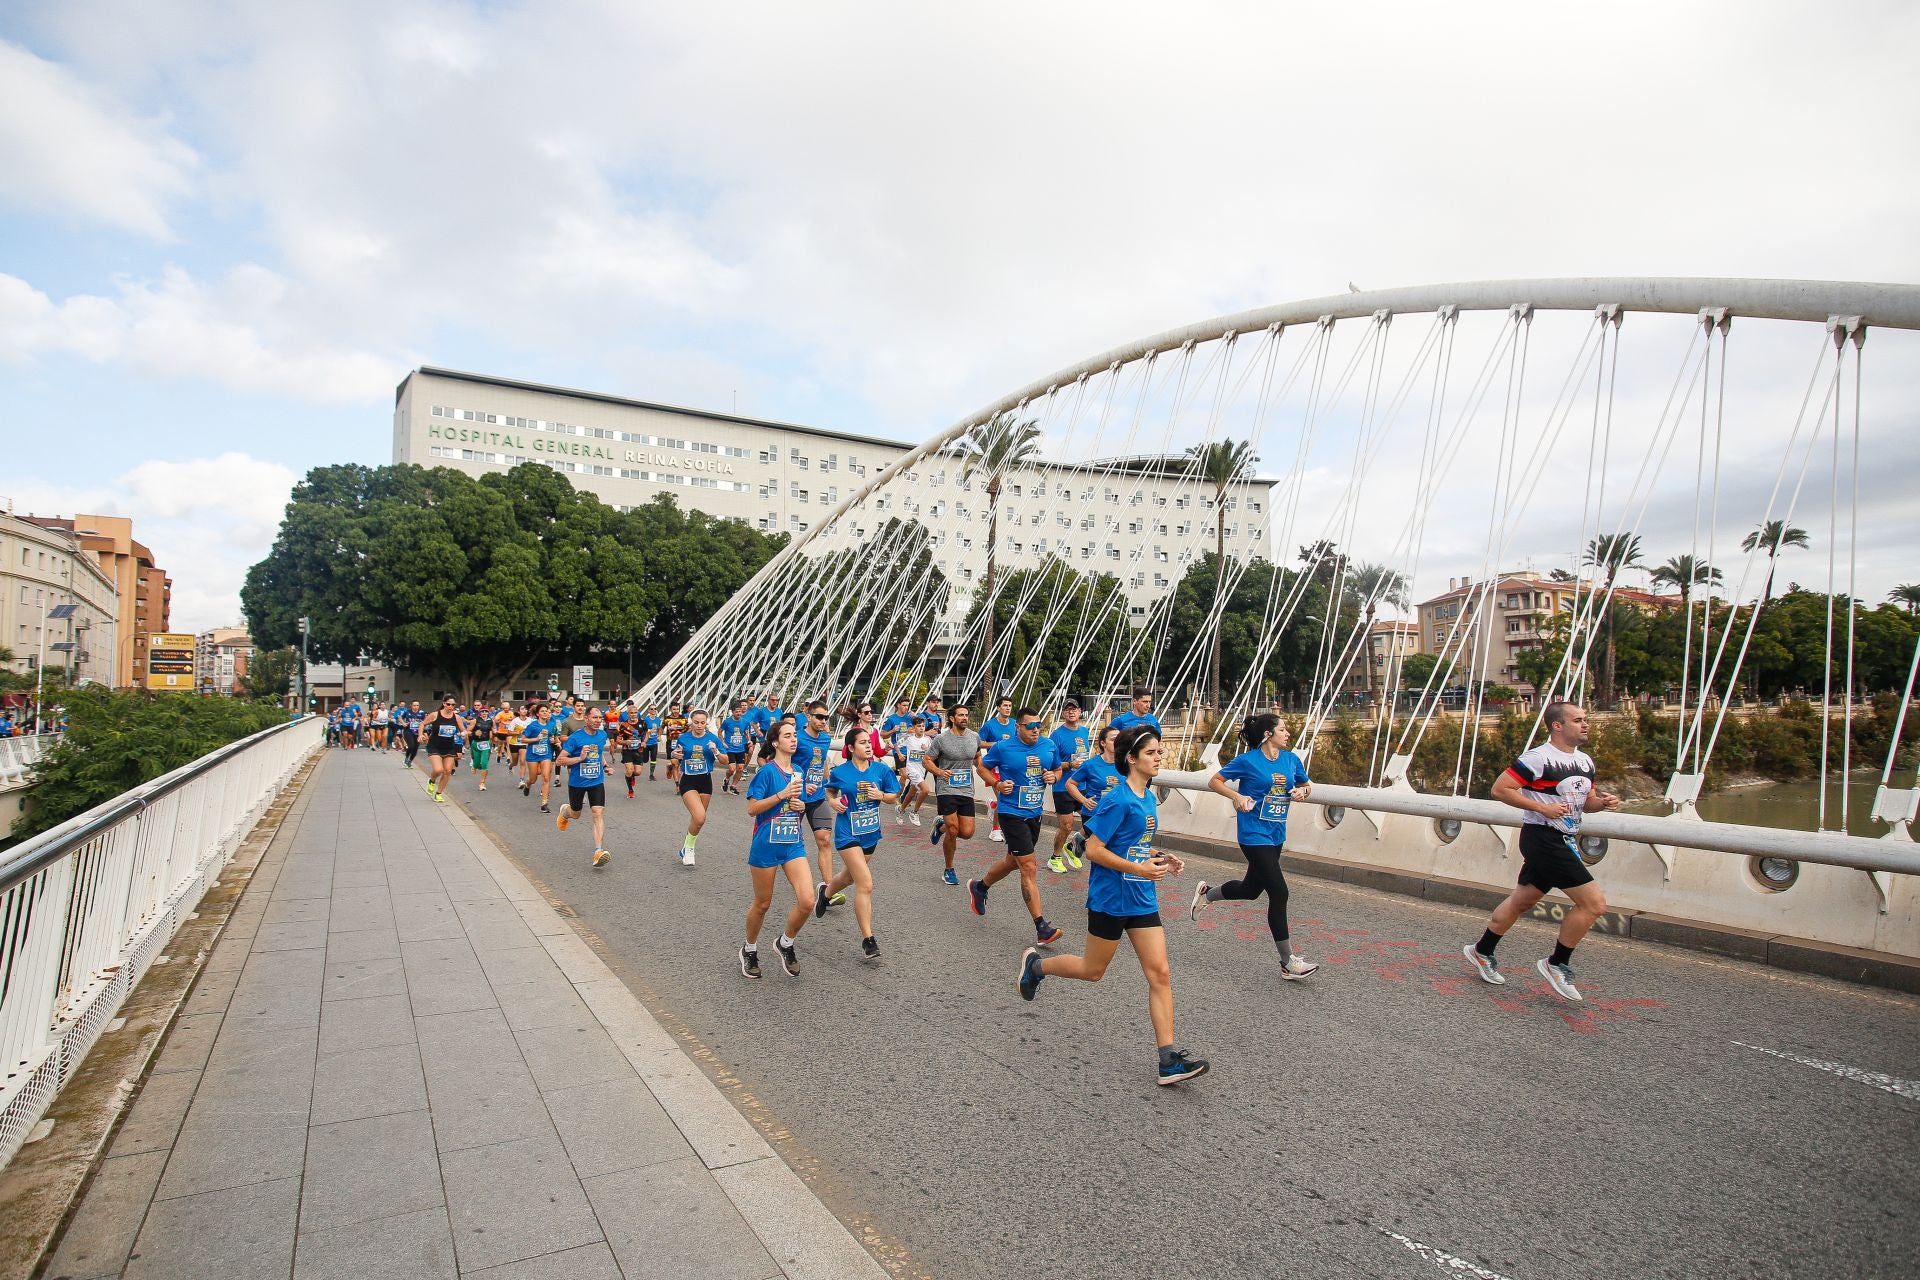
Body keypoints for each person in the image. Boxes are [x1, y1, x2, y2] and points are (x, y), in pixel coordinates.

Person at [1017, 724, 1208, 1086]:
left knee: (1160, 973)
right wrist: (1138, 866)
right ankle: (1037, 967)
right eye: (1152, 753)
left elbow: (1133, 842)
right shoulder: (1117, 799)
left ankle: (1168, 1060)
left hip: (1141, 899)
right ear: (1132, 759)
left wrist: (1162, 857)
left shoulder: (1148, 797)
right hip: (1110, 899)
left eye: (1159, 752)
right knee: (1092, 970)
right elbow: (1093, 849)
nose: (1159, 757)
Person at [1464, 701, 1619, 1001]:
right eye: (1578, 720)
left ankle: (1482, 950)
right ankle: (1557, 963)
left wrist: (1603, 803)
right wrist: (1541, 807)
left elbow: (1586, 802)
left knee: (1523, 900)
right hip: (1542, 838)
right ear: (1557, 726)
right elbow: (1500, 789)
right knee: (1594, 904)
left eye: (1586, 719)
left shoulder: (1586, 762)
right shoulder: (1538, 758)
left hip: (1565, 838)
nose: (1585, 724)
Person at [1191, 714, 1319, 979]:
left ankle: (1207, 893)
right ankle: (1288, 962)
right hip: (1252, 834)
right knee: (1279, 892)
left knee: (1251, 890)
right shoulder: (1247, 761)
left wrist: (1301, 793)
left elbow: (1306, 786)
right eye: (1282, 729)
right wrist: (1237, 796)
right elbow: (1214, 781)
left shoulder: (1291, 760)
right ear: (1268, 734)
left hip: (1276, 834)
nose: (1288, 733)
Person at [969, 706, 1065, 947]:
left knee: (1014, 861)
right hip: (1011, 813)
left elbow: (1058, 768)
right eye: (1030, 726)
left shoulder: (1048, 745)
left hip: (1034, 813)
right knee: (1029, 867)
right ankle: (1042, 927)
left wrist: (1054, 777)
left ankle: (980, 887)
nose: (1036, 730)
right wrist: (997, 784)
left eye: (1039, 725)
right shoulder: (1003, 747)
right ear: (1018, 727)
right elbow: (982, 766)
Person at [818, 726, 903, 960]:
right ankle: (868, 940)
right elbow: (830, 791)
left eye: (869, 742)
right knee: (865, 883)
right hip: (847, 834)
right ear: (851, 748)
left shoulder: (881, 770)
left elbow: (894, 796)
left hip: (870, 834)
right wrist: (833, 802)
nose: (868, 746)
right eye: (863, 742)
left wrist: (881, 797)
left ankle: (825, 894)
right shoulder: (841, 772)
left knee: (848, 877)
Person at [741, 720, 817, 978]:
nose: (793, 739)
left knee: (807, 901)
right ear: (775, 743)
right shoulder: (766, 772)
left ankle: (785, 943)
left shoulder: (798, 770)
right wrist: (782, 795)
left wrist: (801, 806)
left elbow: (799, 804)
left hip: (793, 843)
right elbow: (752, 808)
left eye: (795, 735)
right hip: (766, 845)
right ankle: (749, 949)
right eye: (787, 736)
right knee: (763, 904)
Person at [793, 700, 846, 903]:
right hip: (796, 796)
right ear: (808, 716)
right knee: (791, 843)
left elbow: (822, 761)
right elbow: (782, 761)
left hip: (817, 797)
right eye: (819, 717)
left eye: (826, 717)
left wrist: (827, 785)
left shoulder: (825, 739)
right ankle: (797, 880)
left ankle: (828, 889)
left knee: (824, 839)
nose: (823, 720)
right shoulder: (796, 737)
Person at [926, 703, 980, 886]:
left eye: (966, 715)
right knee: (954, 829)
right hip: (946, 787)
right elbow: (927, 760)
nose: (965, 718)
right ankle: (949, 869)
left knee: (967, 832)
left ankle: (940, 826)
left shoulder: (974, 737)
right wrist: (939, 772)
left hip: (966, 789)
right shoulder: (941, 739)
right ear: (952, 718)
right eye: (961, 715)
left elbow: (978, 757)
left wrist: (983, 770)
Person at [556, 707, 612, 866]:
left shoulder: (602, 735)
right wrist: (580, 758)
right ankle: (566, 812)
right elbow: (560, 761)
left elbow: (599, 753)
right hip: (577, 782)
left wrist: (606, 766)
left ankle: (598, 851)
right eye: (594, 718)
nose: (598, 720)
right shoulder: (575, 738)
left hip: (596, 780)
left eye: (599, 718)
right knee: (576, 814)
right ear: (586, 719)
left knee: (597, 812)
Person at [672, 709, 725, 866]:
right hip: (688, 781)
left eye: (702, 722)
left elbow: (726, 760)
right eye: (696, 722)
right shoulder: (683, 738)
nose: (699, 725)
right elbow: (676, 753)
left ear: (706, 722)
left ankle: (687, 847)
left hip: (705, 781)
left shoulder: (712, 738)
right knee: (700, 816)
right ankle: (689, 848)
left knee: (698, 820)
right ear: (691, 722)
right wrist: (676, 754)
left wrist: (715, 751)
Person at [1046, 701, 1092, 873]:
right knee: (1066, 826)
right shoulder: (1056, 736)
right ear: (1063, 713)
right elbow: (1052, 763)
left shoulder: (1084, 731)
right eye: (1068, 709)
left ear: (1080, 712)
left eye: (1074, 709)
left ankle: (1072, 846)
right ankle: (1055, 857)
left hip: (1084, 785)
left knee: (1094, 819)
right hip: (1062, 787)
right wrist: (1070, 765)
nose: (1071, 712)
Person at [976, 695, 1017, 843]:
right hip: (995, 767)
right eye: (1005, 705)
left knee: (1007, 797)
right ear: (998, 708)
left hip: (1011, 766)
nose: (1007, 708)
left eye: (1009, 706)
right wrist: (995, 745)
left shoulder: (1015, 724)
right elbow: (979, 742)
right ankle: (995, 830)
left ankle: (993, 806)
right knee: (1003, 797)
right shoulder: (989, 725)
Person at [894, 714, 932, 827]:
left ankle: (900, 810)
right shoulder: (909, 737)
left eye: (923, 726)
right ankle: (914, 812)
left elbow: (934, 753)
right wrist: (900, 754)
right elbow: (896, 745)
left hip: (922, 769)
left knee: (911, 794)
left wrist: (928, 749)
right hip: (912, 769)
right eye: (919, 726)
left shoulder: (928, 739)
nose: (921, 728)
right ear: (914, 727)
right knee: (925, 790)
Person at [421, 697, 463, 802]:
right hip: (434, 745)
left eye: (453, 705)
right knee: (438, 769)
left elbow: (463, 730)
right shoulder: (435, 714)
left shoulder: (456, 717)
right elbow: (422, 724)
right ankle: (432, 781)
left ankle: (439, 793)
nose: (451, 707)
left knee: (448, 771)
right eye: (448, 704)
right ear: (444, 704)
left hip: (449, 747)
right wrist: (420, 735)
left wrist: (464, 733)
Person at [519, 704, 558, 811]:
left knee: (546, 777)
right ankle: (528, 784)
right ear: (537, 714)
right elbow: (523, 739)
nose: (545, 713)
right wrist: (536, 739)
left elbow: (554, 737)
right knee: (533, 779)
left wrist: (553, 740)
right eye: (543, 711)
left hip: (546, 754)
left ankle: (544, 804)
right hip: (533, 755)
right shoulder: (533, 726)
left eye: (547, 711)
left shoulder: (551, 725)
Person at [719, 699, 752, 795]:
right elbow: (719, 732)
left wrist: (749, 740)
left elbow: (746, 733)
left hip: (740, 748)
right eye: (736, 712)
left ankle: (733, 786)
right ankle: (727, 779)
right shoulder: (727, 722)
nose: (739, 713)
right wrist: (722, 742)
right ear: (732, 712)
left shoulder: (745, 722)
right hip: (730, 749)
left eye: (740, 711)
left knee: (740, 768)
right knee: (732, 769)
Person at [468, 701, 496, 791]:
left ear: (488, 712)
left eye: (486, 711)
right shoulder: (475, 720)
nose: (484, 713)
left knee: (484, 763)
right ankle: (474, 766)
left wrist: (495, 731)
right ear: (480, 712)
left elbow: (494, 729)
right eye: (482, 711)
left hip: (486, 743)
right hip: (476, 744)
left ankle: (482, 783)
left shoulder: (491, 721)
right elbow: (467, 732)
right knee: (476, 764)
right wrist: (474, 733)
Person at [616, 709, 643, 798]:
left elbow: (647, 733)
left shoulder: (642, 723)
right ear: (628, 714)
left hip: (638, 751)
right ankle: (630, 790)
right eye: (631, 713)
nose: (633, 714)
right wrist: (625, 742)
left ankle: (632, 776)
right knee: (629, 770)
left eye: (635, 713)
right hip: (627, 751)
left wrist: (644, 742)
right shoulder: (623, 725)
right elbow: (618, 740)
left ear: (637, 713)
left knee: (638, 772)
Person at [661, 702, 689, 783]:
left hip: (681, 743)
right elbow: (661, 727)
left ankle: (671, 770)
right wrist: (659, 736)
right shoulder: (667, 719)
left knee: (678, 765)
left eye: (677, 709)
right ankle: (677, 785)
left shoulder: (683, 718)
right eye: (674, 709)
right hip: (670, 742)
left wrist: (685, 735)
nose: (676, 711)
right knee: (675, 764)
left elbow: (688, 728)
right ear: (670, 709)